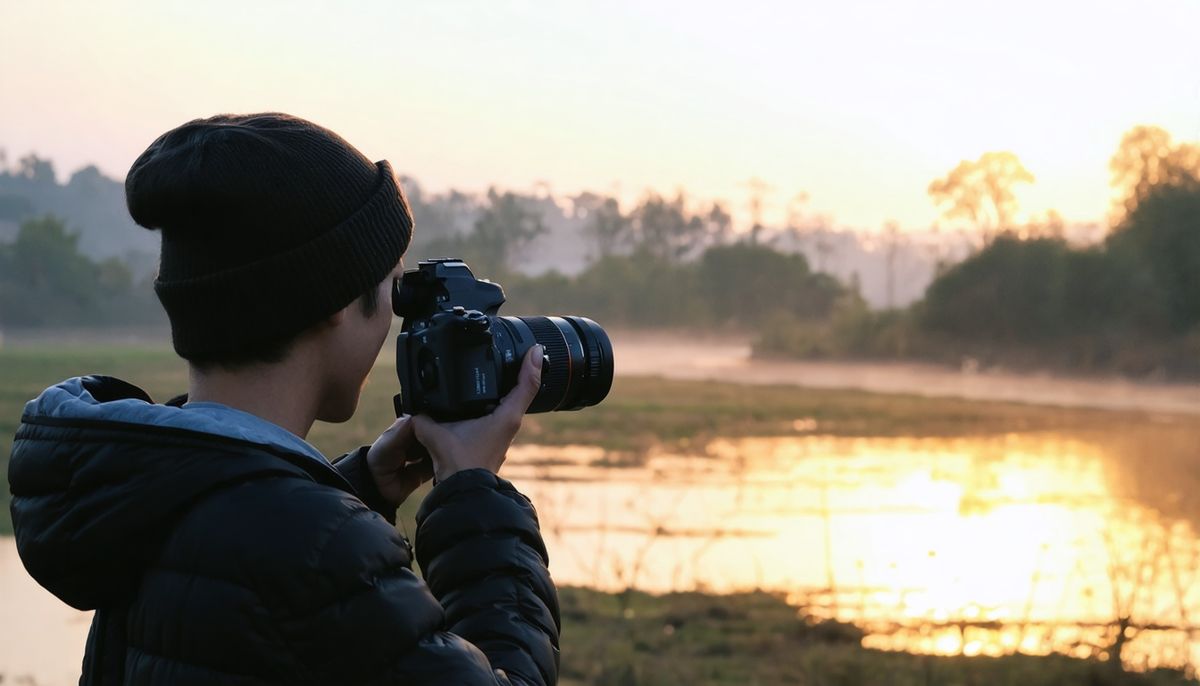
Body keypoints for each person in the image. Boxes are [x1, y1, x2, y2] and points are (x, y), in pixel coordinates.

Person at [8, 113, 560, 685]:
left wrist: (359, 487)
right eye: (392, 290)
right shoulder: (317, 552)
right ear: (335, 300)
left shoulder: (148, 490)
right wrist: (476, 497)